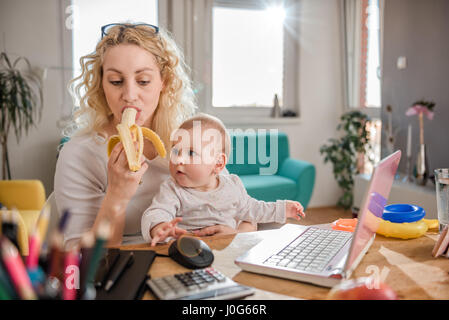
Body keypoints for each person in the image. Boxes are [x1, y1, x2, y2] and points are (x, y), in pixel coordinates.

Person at [54, 23, 256, 248]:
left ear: (165, 82)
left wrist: (236, 233)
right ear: (102, 85)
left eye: (143, 81)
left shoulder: (188, 141)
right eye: (116, 81)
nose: (129, 95)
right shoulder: (79, 155)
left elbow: (245, 214)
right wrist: (117, 195)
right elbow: (83, 261)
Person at [141, 114, 306, 246]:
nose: (179, 160)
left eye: (191, 153)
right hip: (189, 250)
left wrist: (283, 209)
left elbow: (253, 208)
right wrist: (159, 226)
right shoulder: (173, 188)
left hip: (228, 247)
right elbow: (158, 210)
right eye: (176, 152)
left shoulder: (231, 185)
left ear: (218, 164)